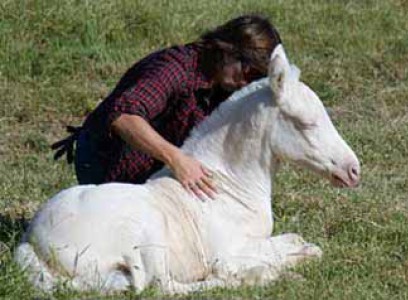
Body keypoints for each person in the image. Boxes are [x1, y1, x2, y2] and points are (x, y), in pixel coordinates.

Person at [52, 14, 282, 199]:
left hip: (157, 160)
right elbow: (122, 117)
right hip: (107, 159)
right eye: (249, 72)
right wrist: (176, 159)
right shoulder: (175, 68)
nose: (247, 82)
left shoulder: (226, 84)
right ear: (227, 49)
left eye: (257, 79)